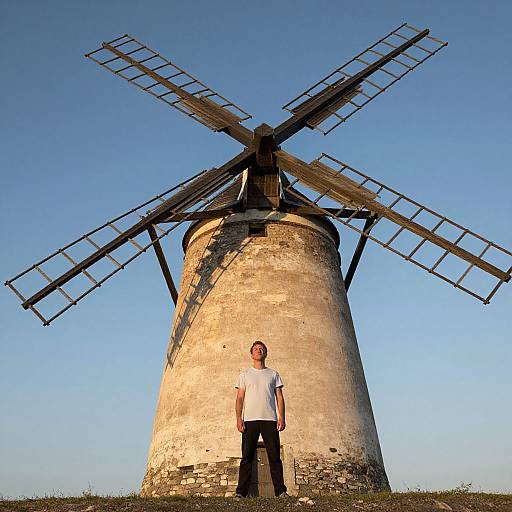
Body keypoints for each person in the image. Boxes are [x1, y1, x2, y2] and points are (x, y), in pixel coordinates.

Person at [234, 340, 288, 497]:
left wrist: (281, 417)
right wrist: (239, 418)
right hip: (250, 420)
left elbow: (279, 397)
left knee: (274, 457)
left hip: (270, 419)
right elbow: (239, 398)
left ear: (266, 353)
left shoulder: (273, 374)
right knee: (246, 458)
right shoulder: (244, 375)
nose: (258, 351)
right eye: (256, 349)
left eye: (261, 349)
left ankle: (280, 491)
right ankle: (241, 493)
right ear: (251, 354)